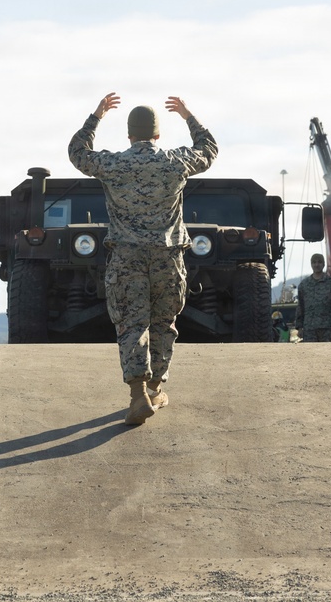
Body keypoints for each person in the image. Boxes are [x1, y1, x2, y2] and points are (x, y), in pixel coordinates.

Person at [68, 92, 218, 425]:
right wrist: (188, 115)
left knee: (132, 325)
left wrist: (96, 116)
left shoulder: (114, 164)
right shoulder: (174, 162)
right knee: (164, 324)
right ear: (157, 135)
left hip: (127, 259)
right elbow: (209, 148)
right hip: (168, 259)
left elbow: (77, 153)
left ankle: (138, 394)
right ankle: (154, 389)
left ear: (129, 135)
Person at [295, 253, 331, 342]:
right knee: (310, 355)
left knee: (329, 354)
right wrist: (299, 327)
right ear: (311, 264)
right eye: (314, 262)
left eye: (319, 262)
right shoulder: (304, 285)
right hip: (309, 330)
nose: (316, 265)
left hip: (328, 329)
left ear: (323, 264)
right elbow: (300, 307)